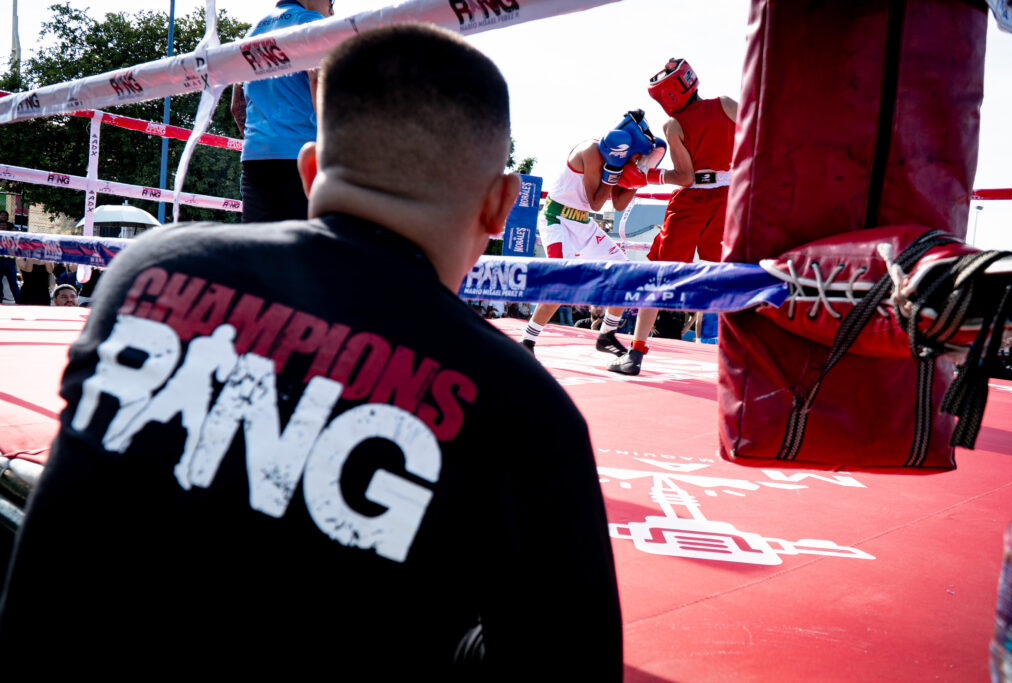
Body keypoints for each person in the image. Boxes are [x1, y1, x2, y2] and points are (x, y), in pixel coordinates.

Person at [0, 24, 622, 677]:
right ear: (501, 206)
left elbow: (48, 585)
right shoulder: (528, 409)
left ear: (308, 170)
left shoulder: (150, 274)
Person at [609, 57, 737, 375]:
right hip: (730, 196)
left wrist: (645, 175)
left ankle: (635, 354)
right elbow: (757, 137)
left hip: (692, 201)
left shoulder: (674, 125)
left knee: (660, 273)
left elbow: (684, 177)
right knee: (729, 274)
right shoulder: (726, 104)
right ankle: (742, 354)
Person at [520, 110, 664, 358]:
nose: (637, 160)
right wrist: (613, 171)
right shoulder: (590, 150)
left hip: (583, 223)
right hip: (558, 219)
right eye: (637, 157)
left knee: (626, 274)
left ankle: (606, 335)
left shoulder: (622, 159)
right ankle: (527, 342)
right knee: (560, 281)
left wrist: (639, 177)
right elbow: (596, 203)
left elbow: (618, 205)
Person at [230, 0, 334, 223]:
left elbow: (236, 103)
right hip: (302, 154)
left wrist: (262, 139)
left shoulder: (251, 32)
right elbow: (321, 82)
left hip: (255, 156)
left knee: (261, 247)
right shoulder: (309, 22)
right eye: (331, 1)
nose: (332, 10)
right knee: (311, 246)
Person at [0, 210, 19, 304]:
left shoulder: (11, 232)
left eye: (4, 226)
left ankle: (18, 300)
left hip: (9, 261)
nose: (3, 227)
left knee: (13, 282)